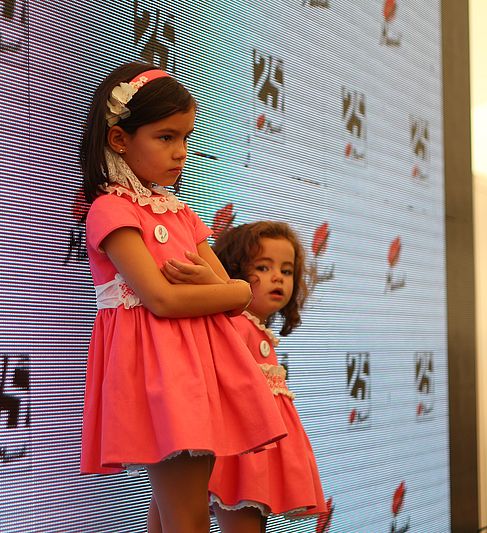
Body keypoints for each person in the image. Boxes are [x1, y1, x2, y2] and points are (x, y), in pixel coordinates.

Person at [78, 62, 287, 533]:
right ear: (119, 139)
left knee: (174, 509)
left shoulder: (181, 213)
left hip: (196, 369)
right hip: (159, 371)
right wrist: (226, 290)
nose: (181, 152)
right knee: (186, 512)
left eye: (186, 138)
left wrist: (227, 290)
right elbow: (162, 300)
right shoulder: (110, 209)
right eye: (166, 137)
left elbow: (237, 296)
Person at [205, 221, 328, 533]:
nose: (278, 278)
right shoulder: (234, 326)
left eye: (286, 271)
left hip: (261, 452)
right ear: (233, 271)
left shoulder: (257, 330)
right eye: (263, 267)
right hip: (243, 454)